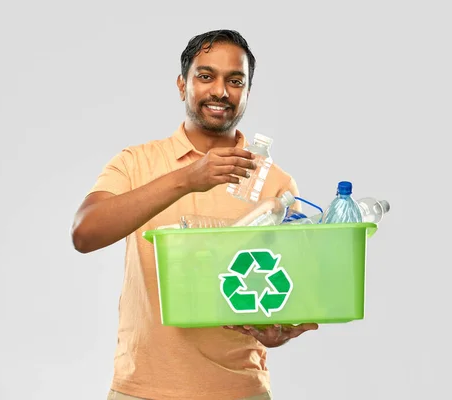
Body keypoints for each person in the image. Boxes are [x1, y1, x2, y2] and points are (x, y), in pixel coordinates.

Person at [71, 29, 319, 400]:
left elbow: (287, 289)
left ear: (247, 92)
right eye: (206, 76)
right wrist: (188, 178)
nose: (220, 91)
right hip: (142, 389)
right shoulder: (136, 163)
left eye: (235, 81)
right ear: (181, 84)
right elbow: (84, 233)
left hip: (240, 390)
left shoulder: (276, 185)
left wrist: (277, 328)